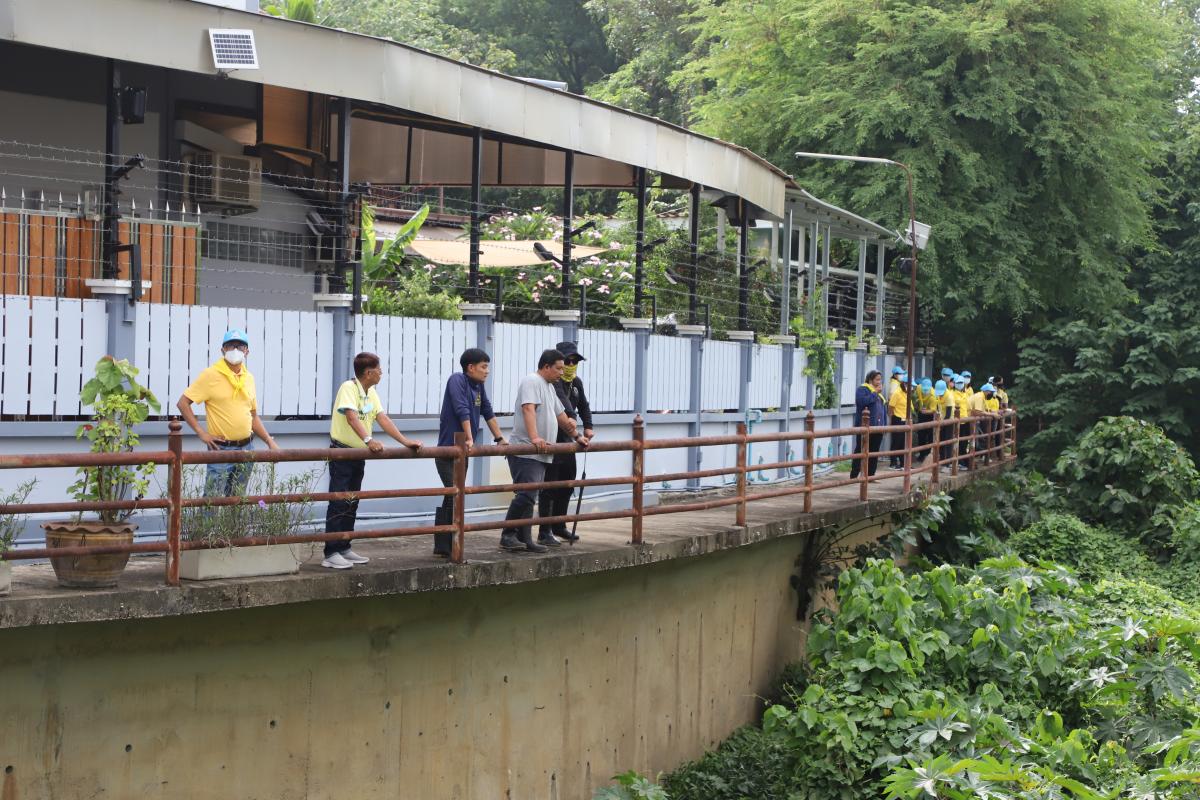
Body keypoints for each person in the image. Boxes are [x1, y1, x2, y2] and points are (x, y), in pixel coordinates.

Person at [322, 352, 424, 570]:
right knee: (339, 501)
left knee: (352, 501)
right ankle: (331, 552)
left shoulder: (371, 393)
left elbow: (382, 418)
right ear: (368, 373)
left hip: (359, 455)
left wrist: (405, 441)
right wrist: (369, 440)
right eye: (379, 369)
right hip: (342, 453)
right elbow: (351, 417)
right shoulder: (349, 388)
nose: (381, 372)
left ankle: (344, 546)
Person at [500, 349, 589, 554]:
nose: (562, 372)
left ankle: (524, 538)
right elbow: (528, 408)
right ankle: (508, 534)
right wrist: (535, 438)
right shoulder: (532, 381)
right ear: (546, 366)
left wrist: (577, 436)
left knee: (531, 495)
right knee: (527, 494)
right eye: (558, 368)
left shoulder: (549, 387)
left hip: (540, 452)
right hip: (526, 450)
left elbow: (561, 417)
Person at [177, 328, 279, 498]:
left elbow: (253, 416)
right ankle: (209, 519)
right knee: (212, 499)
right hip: (221, 448)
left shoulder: (249, 378)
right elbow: (183, 403)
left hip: (247, 447)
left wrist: (270, 441)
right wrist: (201, 433)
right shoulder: (210, 375)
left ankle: (234, 518)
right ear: (223, 350)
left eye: (240, 346)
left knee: (237, 499)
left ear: (247, 352)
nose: (235, 350)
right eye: (231, 346)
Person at [432, 348, 507, 558]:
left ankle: (444, 545)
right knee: (454, 494)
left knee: (454, 495)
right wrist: (469, 437)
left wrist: (500, 438)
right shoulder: (457, 380)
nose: (487, 371)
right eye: (484, 367)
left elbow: (488, 411)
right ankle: (446, 544)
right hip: (448, 451)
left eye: (487, 367)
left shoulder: (479, 386)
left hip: (462, 453)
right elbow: (461, 408)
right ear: (471, 367)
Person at [537, 341, 594, 547]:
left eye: (574, 361)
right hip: (552, 439)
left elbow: (584, 405)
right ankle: (544, 530)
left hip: (569, 440)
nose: (570, 365)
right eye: (567, 361)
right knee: (549, 486)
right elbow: (563, 405)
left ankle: (559, 525)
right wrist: (572, 420)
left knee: (568, 483)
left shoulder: (576, 382)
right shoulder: (552, 382)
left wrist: (588, 426)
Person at [850, 370, 886, 479]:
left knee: (874, 452)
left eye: (880, 379)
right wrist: (875, 393)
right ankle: (854, 475)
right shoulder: (862, 389)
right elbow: (862, 402)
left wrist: (884, 426)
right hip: (865, 427)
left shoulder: (879, 393)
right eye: (877, 379)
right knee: (860, 450)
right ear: (870, 380)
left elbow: (882, 410)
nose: (879, 382)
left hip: (878, 428)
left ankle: (870, 476)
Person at [968, 382, 1001, 462]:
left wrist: (993, 413)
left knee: (981, 437)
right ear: (986, 391)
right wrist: (992, 414)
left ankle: (976, 456)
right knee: (978, 438)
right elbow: (977, 411)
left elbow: (986, 410)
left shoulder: (983, 397)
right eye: (991, 392)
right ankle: (971, 458)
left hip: (973, 419)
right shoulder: (979, 397)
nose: (992, 394)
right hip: (968, 418)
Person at [886, 369, 909, 469]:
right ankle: (893, 462)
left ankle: (903, 463)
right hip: (897, 418)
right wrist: (891, 419)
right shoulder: (897, 393)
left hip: (904, 419)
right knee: (896, 441)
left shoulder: (906, 393)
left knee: (902, 442)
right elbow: (891, 407)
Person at [915, 378, 938, 464]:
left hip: (930, 416)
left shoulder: (933, 396)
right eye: (923, 389)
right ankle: (921, 454)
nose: (925, 391)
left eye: (926, 390)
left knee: (930, 436)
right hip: (921, 414)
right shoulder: (918, 388)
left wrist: (926, 411)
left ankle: (928, 454)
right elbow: (915, 396)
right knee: (921, 435)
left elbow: (933, 410)